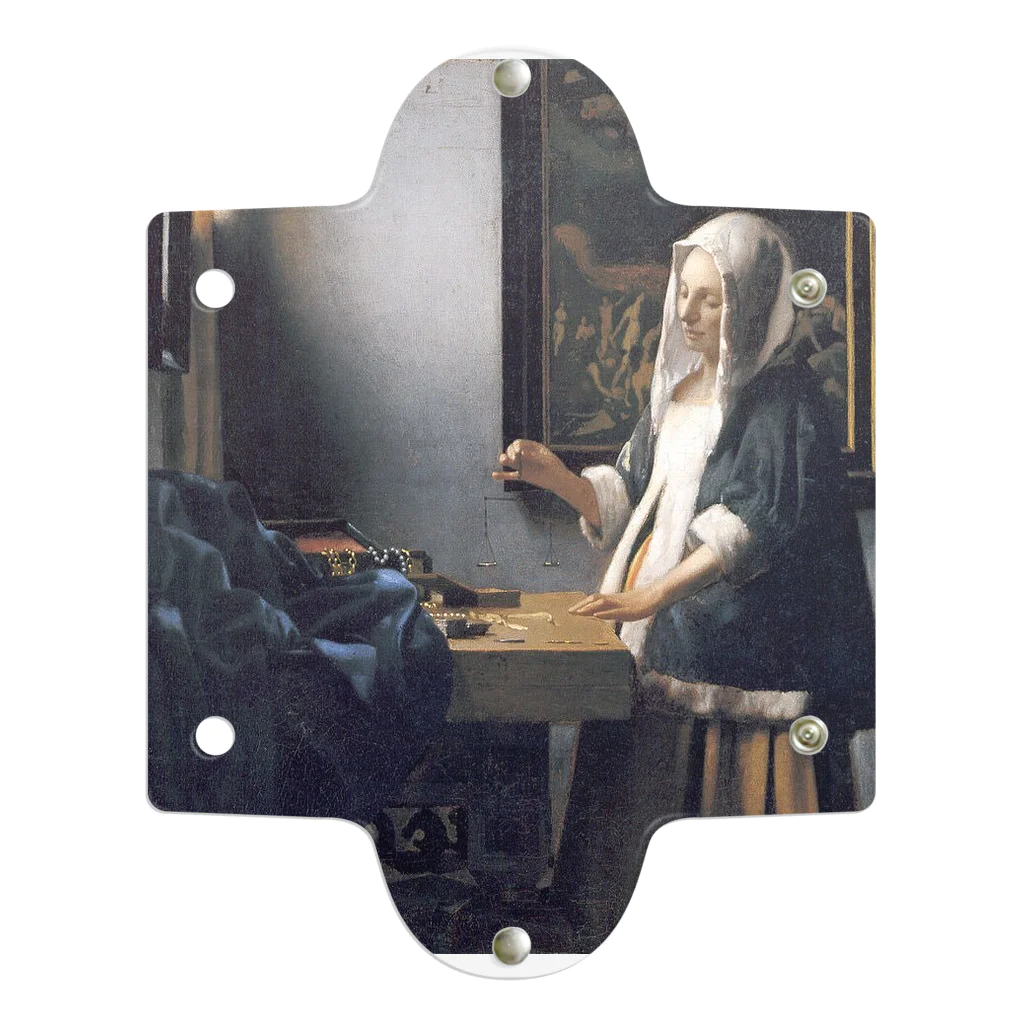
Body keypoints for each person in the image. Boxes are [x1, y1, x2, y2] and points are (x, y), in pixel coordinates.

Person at [492, 211, 874, 948]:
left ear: (752, 302)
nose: (688, 312)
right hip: (655, 627)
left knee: (723, 813)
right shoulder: (680, 390)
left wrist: (652, 595)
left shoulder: (785, 397)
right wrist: (557, 477)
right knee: (638, 790)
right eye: (684, 294)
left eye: (710, 298)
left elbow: (754, 525)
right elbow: (629, 495)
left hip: (737, 634)